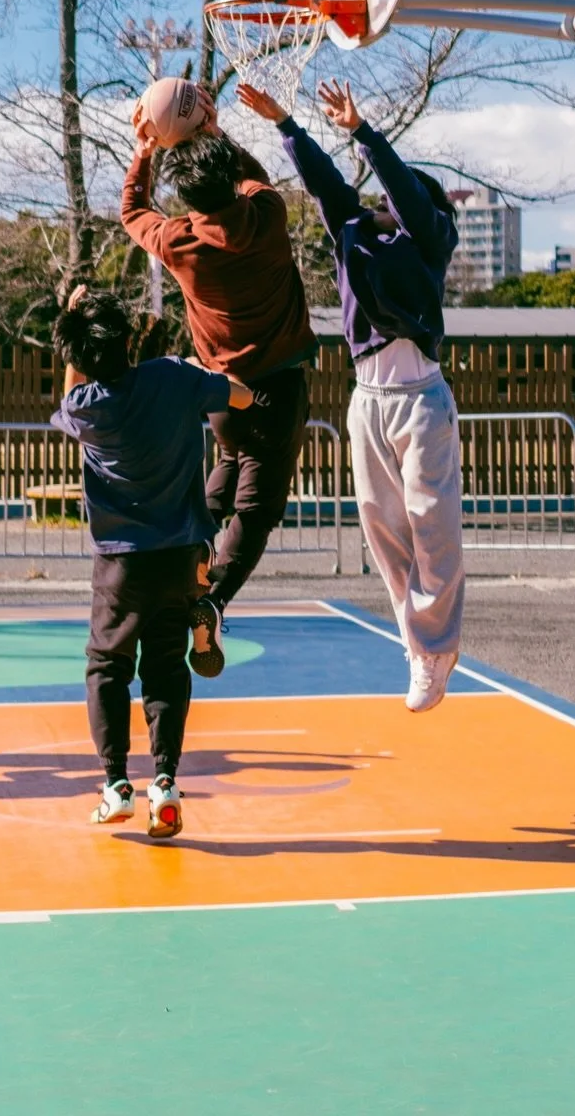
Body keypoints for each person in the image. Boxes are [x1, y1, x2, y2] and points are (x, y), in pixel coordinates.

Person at [238, 77, 464, 713]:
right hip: (367, 397)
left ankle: (437, 643)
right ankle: (420, 645)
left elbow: (405, 193)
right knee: (383, 529)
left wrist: (363, 133)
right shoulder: (353, 228)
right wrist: (286, 123)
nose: (383, 198)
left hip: (419, 397)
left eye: (398, 191)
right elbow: (322, 181)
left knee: (431, 526)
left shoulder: (429, 237)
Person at [121, 102, 316, 676]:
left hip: (222, 394)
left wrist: (145, 151)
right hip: (278, 390)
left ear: (188, 198)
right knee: (256, 512)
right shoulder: (268, 214)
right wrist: (213, 132)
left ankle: (187, 564)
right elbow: (253, 174)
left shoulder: (179, 242)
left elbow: (132, 210)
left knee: (228, 464)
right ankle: (212, 596)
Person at [51, 285, 252, 838]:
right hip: (180, 555)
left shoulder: (87, 407)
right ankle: (164, 783)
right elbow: (235, 396)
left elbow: (71, 386)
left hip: (119, 562)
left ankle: (116, 784)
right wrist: (199, 372)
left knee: (107, 666)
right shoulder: (170, 377)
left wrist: (72, 319)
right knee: (165, 663)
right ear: (129, 336)